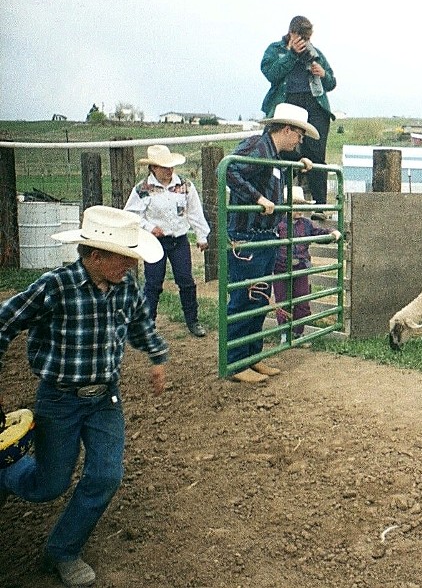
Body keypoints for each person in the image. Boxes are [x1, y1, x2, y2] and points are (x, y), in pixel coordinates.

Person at [0, 205, 168, 588]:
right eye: (124, 258)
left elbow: (140, 324)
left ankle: (63, 550)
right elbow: (3, 322)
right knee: (49, 486)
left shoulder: (125, 287)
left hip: (105, 398)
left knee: (107, 475)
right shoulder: (54, 286)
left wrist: (157, 356)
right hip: (59, 399)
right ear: (95, 256)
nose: (130, 265)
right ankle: (6, 472)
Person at [226, 102, 317, 383]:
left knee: (259, 298)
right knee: (245, 298)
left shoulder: (274, 155)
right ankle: (235, 362)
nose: (300, 140)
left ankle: (252, 357)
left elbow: (270, 181)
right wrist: (257, 198)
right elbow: (230, 170)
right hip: (247, 236)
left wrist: (297, 166)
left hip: (264, 235)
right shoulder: (258, 146)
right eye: (299, 134)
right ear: (287, 129)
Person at [124, 145, 212, 338]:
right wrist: (149, 227)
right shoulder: (143, 189)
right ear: (153, 168)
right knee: (153, 283)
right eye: (164, 167)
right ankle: (148, 324)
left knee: (186, 280)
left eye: (171, 166)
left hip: (179, 240)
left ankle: (192, 320)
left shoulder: (185, 186)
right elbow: (131, 214)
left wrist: (201, 235)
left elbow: (195, 212)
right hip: (155, 242)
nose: (169, 170)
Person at [261, 15, 337, 218]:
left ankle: (321, 207)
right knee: (282, 152)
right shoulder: (276, 50)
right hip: (287, 104)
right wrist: (292, 55)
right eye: (301, 37)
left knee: (316, 155)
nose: (305, 42)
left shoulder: (316, 53)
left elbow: (331, 83)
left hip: (315, 106)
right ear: (292, 33)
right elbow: (270, 73)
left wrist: (323, 74)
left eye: (308, 38)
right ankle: (280, 204)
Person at [273, 186, 342, 342]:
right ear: (285, 206)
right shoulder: (278, 224)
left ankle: (298, 332)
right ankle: (284, 333)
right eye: (294, 205)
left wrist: (331, 233)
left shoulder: (306, 224)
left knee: (302, 300)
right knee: (282, 300)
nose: (299, 210)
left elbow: (317, 233)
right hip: (281, 267)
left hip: (301, 266)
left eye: (301, 206)